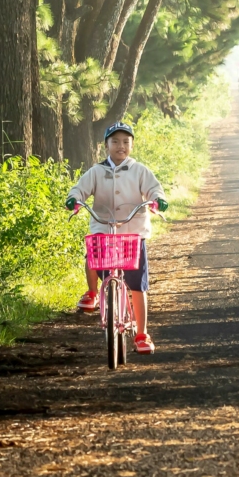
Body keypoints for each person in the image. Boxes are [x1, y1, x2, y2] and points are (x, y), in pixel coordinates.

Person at [66, 123, 169, 353]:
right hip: (104, 227)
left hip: (133, 233)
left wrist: (157, 200)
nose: (120, 146)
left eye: (125, 141)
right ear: (106, 146)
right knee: (93, 252)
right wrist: (73, 199)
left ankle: (142, 334)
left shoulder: (139, 170)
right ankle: (92, 293)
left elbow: (154, 189)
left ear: (132, 144)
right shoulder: (96, 172)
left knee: (137, 286)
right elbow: (79, 189)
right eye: (115, 142)